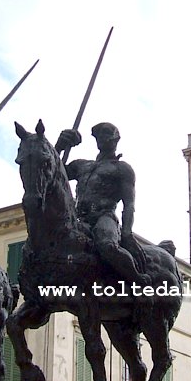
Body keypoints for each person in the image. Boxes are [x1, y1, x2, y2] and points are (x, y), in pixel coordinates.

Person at [55, 122, 150, 285]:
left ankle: (138, 281)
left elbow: (129, 204)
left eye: (106, 134)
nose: (102, 138)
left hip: (104, 217)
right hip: (80, 219)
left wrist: (127, 234)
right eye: (99, 135)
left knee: (107, 246)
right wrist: (59, 147)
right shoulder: (81, 165)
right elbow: (54, 173)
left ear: (116, 139)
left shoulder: (122, 169)